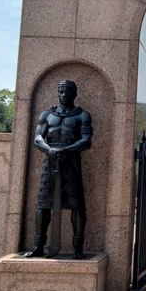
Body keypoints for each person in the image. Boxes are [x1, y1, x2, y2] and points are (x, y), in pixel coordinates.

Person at [25, 80, 93, 259]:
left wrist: (65, 149)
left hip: (71, 163)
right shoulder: (47, 115)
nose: (63, 95)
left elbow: (86, 140)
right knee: (43, 204)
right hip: (51, 162)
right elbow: (38, 138)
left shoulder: (82, 116)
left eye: (67, 92)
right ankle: (39, 246)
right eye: (61, 91)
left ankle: (78, 248)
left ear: (74, 94)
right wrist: (51, 150)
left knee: (78, 206)